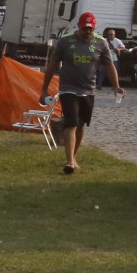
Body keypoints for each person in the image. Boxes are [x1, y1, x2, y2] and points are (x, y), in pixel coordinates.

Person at [38, 12, 122, 175]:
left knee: (81, 124)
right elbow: (52, 65)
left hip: (88, 89)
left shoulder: (101, 43)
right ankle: (69, 161)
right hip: (68, 88)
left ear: (94, 28)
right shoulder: (65, 41)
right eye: (84, 28)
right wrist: (44, 88)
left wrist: (116, 86)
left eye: (90, 29)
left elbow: (109, 66)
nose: (87, 31)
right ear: (78, 26)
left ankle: (74, 158)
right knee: (71, 122)